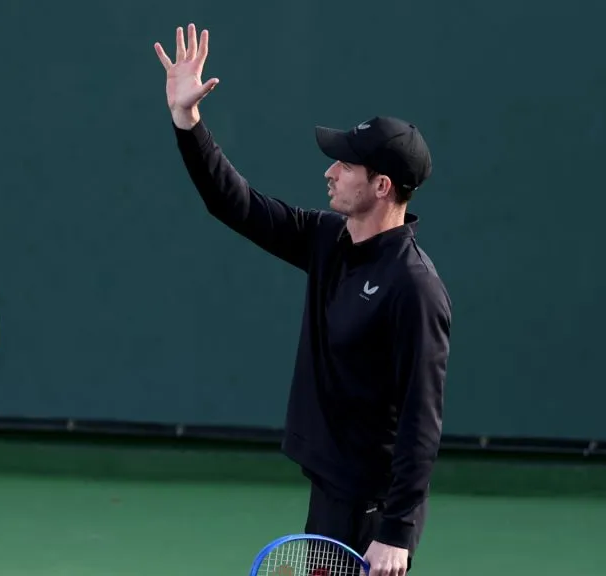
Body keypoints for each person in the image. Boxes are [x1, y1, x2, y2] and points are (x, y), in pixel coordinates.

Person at [154, 24, 452, 576]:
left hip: (371, 510)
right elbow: (235, 204)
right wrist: (186, 121)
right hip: (330, 487)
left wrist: (397, 531)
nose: (330, 171)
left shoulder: (415, 287)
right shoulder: (327, 240)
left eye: (345, 164)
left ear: (381, 186)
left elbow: (421, 416)